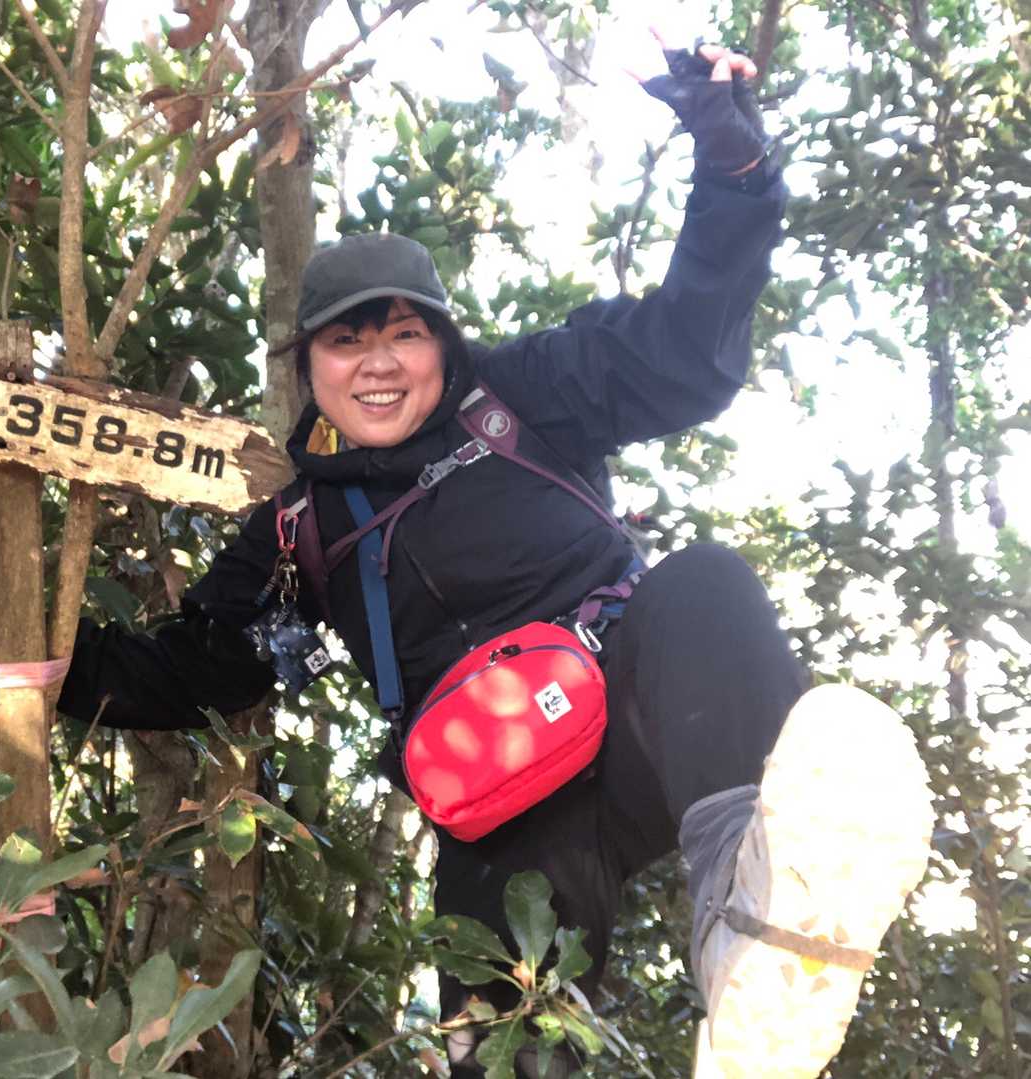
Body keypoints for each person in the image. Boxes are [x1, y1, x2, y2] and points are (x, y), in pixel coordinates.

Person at [56, 39, 933, 1079]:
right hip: (501, 804)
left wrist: (734, 168)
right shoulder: (299, 528)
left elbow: (684, 353)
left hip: (631, 707)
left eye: (403, 334)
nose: (378, 364)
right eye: (345, 342)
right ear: (307, 366)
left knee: (705, 585)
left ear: (445, 341)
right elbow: (197, 665)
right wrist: (38, 658)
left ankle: (757, 947)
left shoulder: (526, 394)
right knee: (501, 1047)